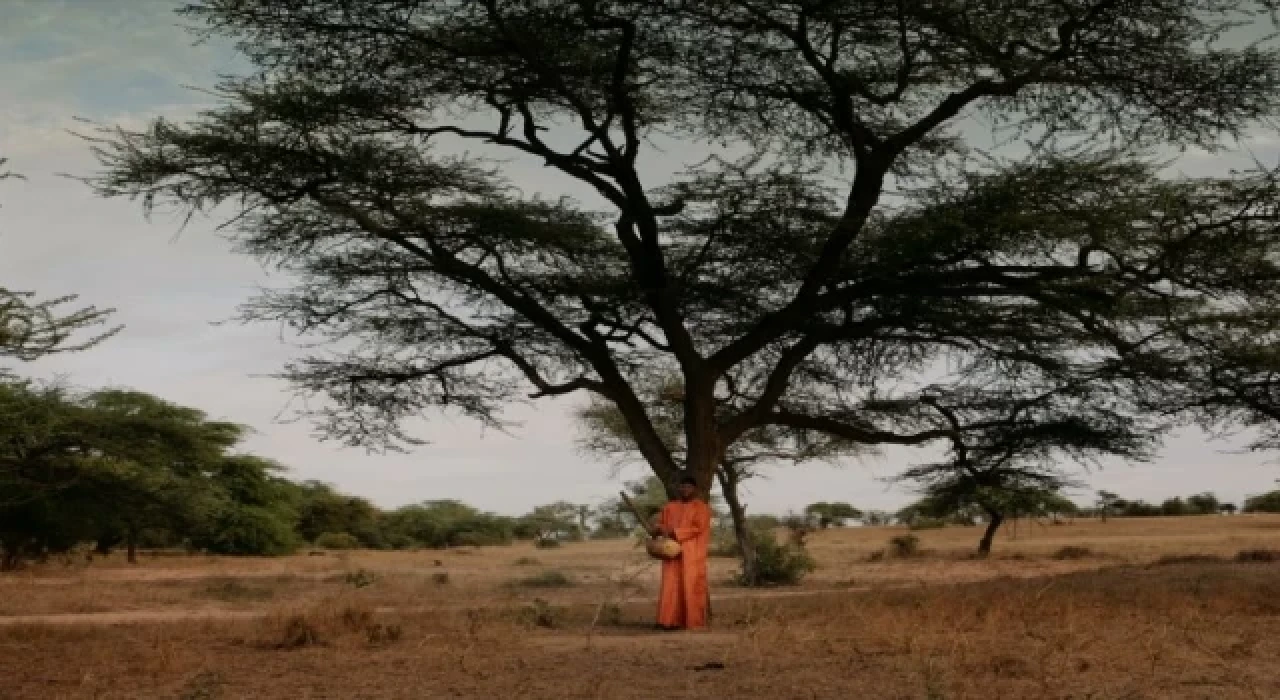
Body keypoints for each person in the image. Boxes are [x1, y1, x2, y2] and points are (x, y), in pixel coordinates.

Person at [654, 474, 711, 630]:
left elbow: (698, 528)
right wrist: (659, 529)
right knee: (670, 585)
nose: (685, 490)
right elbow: (662, 525)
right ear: (679, 488)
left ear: (695, 489)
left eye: (688, 487)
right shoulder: (670, 507)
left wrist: (675, 532)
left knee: (691, 585)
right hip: (671, 552)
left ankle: (692, 622)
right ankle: (668, 621)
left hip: (692, 553)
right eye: (682, 486)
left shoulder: (701, 508)